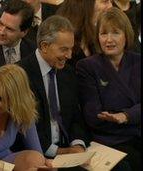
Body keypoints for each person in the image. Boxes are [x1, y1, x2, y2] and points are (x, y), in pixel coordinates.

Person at [76, 7, 140, 171]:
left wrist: (125, 116)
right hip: (108, 142)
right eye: (104, 33)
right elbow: (93, 116)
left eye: (115, 33)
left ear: (126, 35)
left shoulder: (138, 62)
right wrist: (133, 115)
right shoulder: (87, 67)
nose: (109, 39)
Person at [18, 15, 89, 160]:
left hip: (69, 151)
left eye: (71, 49)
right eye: (64, 49)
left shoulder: (68, 73)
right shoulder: (20, 75)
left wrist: (78, 145)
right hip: (37, 154)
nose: (69, 55)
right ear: (44, 46)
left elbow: (75, 115)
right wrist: (61, 152)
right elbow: (24, 128)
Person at [56, 0, 112, 68]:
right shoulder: (61, 41)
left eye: (111, 1)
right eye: (105, 1)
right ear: (85, 4)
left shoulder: (93, 38)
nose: (110, 6)